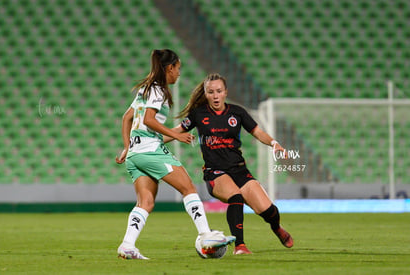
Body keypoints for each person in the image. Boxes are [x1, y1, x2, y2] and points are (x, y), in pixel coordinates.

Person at [115, 50, 235, 260]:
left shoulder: (145, 88)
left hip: (136, 154)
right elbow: (150, 120)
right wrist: (175, 136)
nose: (179, 73)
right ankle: (205, 235)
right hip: (151, 151)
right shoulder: (158, 90)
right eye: (178, 68)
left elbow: (127, 118)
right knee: (188, 187)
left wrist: (128, 148)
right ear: (169, 68)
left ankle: (127, 245)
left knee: (146, 202)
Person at [176, 73, 294, 255]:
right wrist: (152, 140)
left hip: (239, 170)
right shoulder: (198, 114)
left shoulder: (237, 113)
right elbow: (176, 131)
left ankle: (277, 228)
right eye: (211, 92)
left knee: (269, 211)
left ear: (225, 92)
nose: (215, 96)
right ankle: (240, 246)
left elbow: (257, 132)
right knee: (235, 197)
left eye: (219, 91)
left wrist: (273, 143)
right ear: (206, 94)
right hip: (215, 172)